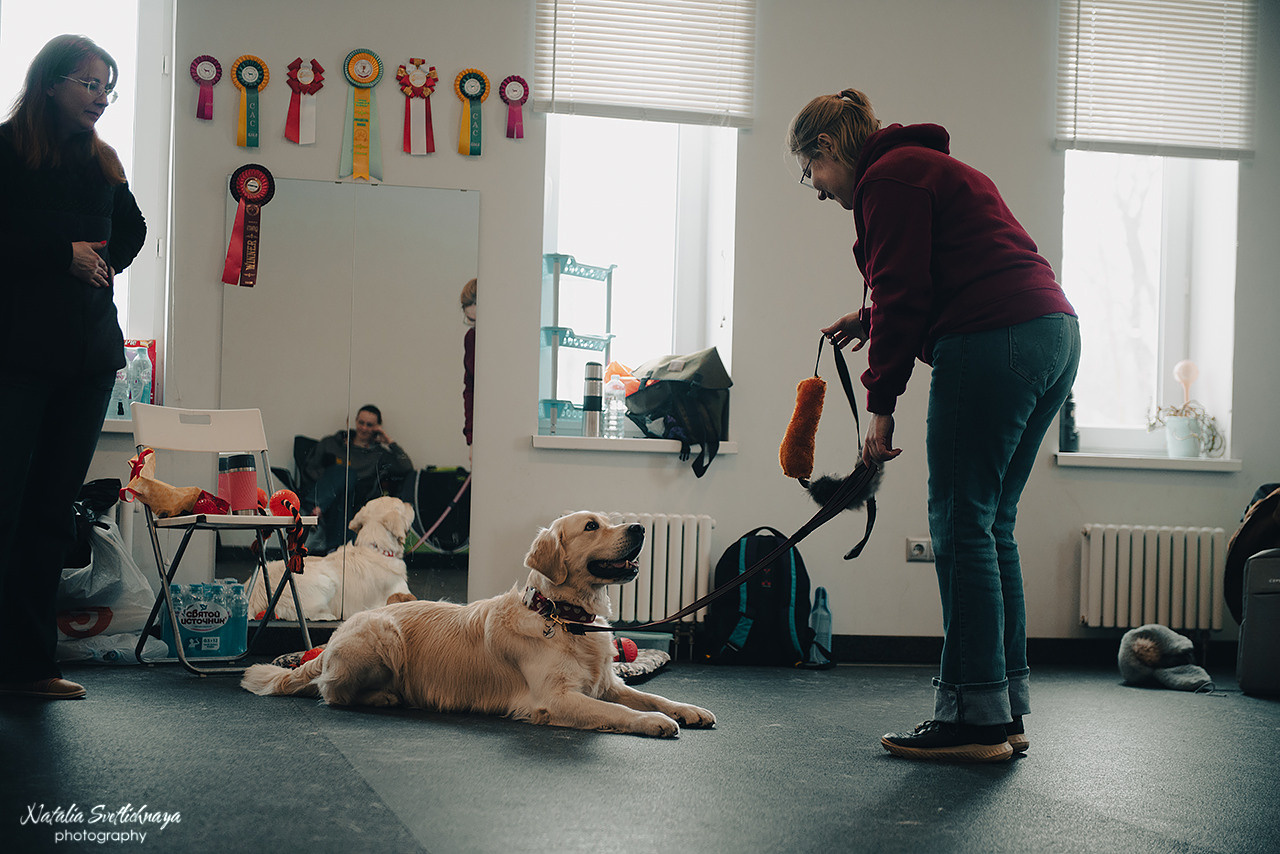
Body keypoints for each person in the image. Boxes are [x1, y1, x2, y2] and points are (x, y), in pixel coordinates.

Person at [789, 89, 1080, 762]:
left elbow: (904, 291)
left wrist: (880, 403)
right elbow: (942, 266)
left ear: (828, 150)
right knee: (989, 523)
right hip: (1051, 333)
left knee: (958, 520)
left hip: (993, 338)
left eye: (812, 174)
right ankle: (1000, 708)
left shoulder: (885, 180)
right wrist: (868, 321)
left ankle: (974, 719)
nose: (818, 190)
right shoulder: (921, 167)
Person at [0, 36, 146, 700]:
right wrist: (63, 254)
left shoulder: (104, 162)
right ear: (50, 83)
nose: (101, 97)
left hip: (87, 360)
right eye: (90, 83)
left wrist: (101, 266)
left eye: (107, 86)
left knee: (50, 515)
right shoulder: (5, 151)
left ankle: (31, 669)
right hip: (16, 357)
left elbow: (133, 231)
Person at [305, 405, 413, 553]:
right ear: (354, 421)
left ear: (377, 428)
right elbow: (311, 468)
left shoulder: (378, 453)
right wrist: (333, 482)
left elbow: (406, 467)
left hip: (354, 500)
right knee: (343, 475)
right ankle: (336, 548)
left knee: (349, 478)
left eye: (369, 425)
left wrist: (389, 442)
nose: (363, 428)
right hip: (327, 494)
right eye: (361, 423)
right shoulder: (333, 443)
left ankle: (317, 510)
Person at [460, 278, 476, 461]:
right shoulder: (470, 338)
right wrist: (471, 439)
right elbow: (469, 389)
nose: (475, 327)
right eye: (471, 320)